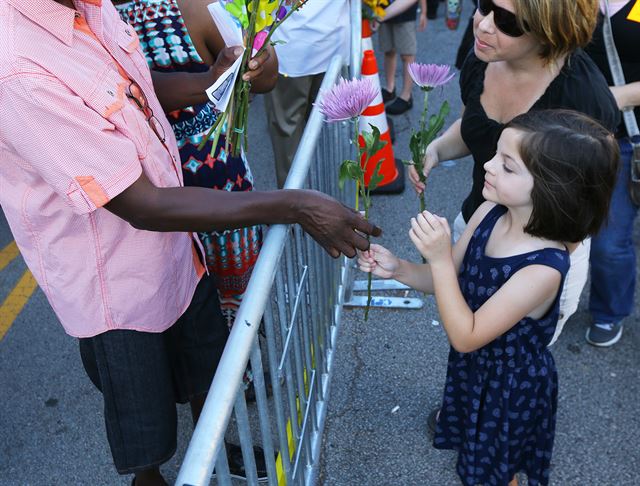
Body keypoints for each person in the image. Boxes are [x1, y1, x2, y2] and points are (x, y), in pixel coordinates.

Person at [0, 1, 381, 485]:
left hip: (179, 252)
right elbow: (143, 205)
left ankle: (218, 457)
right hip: (116, 288)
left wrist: (209, 80)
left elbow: (133, 86)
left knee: (207, 372)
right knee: (145, 426)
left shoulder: (88, 9)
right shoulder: (16, 69)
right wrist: (295, 205)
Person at [360, 110, 619, 486]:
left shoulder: (544, 267)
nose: (489, 165)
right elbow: (447, 279)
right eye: (495, 154)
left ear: (552, 187)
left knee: (491, 469)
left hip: (511, 388)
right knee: (483, 457)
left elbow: (466, 334)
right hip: (475, 372)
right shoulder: (488, 213)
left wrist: (437, 259)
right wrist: (398, 268)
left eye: (508, 166)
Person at [408, 0, 620, 339]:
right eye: (483, 5)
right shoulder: (484, 53)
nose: (484, 24)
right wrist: (436, 149)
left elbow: (582, 212)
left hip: (536, 257)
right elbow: (473, 125)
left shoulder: (582, 99)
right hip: (479, 223)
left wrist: (536, 273)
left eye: (507, 20)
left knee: (509, 367)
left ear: (548, 32)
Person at [114, 0, 277, 326]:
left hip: (199, 198)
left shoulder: (194, 6)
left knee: (225, 317)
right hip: (152, 203)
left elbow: (264, 78)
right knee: (227, 322)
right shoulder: (93, 20)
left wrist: (260, 50)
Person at [582, 0, 640, 347]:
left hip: (631, 134)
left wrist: (614, 96)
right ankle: (608, 311)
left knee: (609, 242)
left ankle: (608, 311)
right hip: (593, 137)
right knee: (604, 240)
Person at [265, 0, 351, 188]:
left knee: (289, 133)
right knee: (334, 134)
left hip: (292, 46)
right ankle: (327, 206)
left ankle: (294, 208)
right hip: (328, 43)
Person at [375, 0, 428, 115]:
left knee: (407, 55)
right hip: (382, 10)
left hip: (405, 13)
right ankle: (390, 88)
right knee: (388, 50)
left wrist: (423, 11)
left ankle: (406, 96)